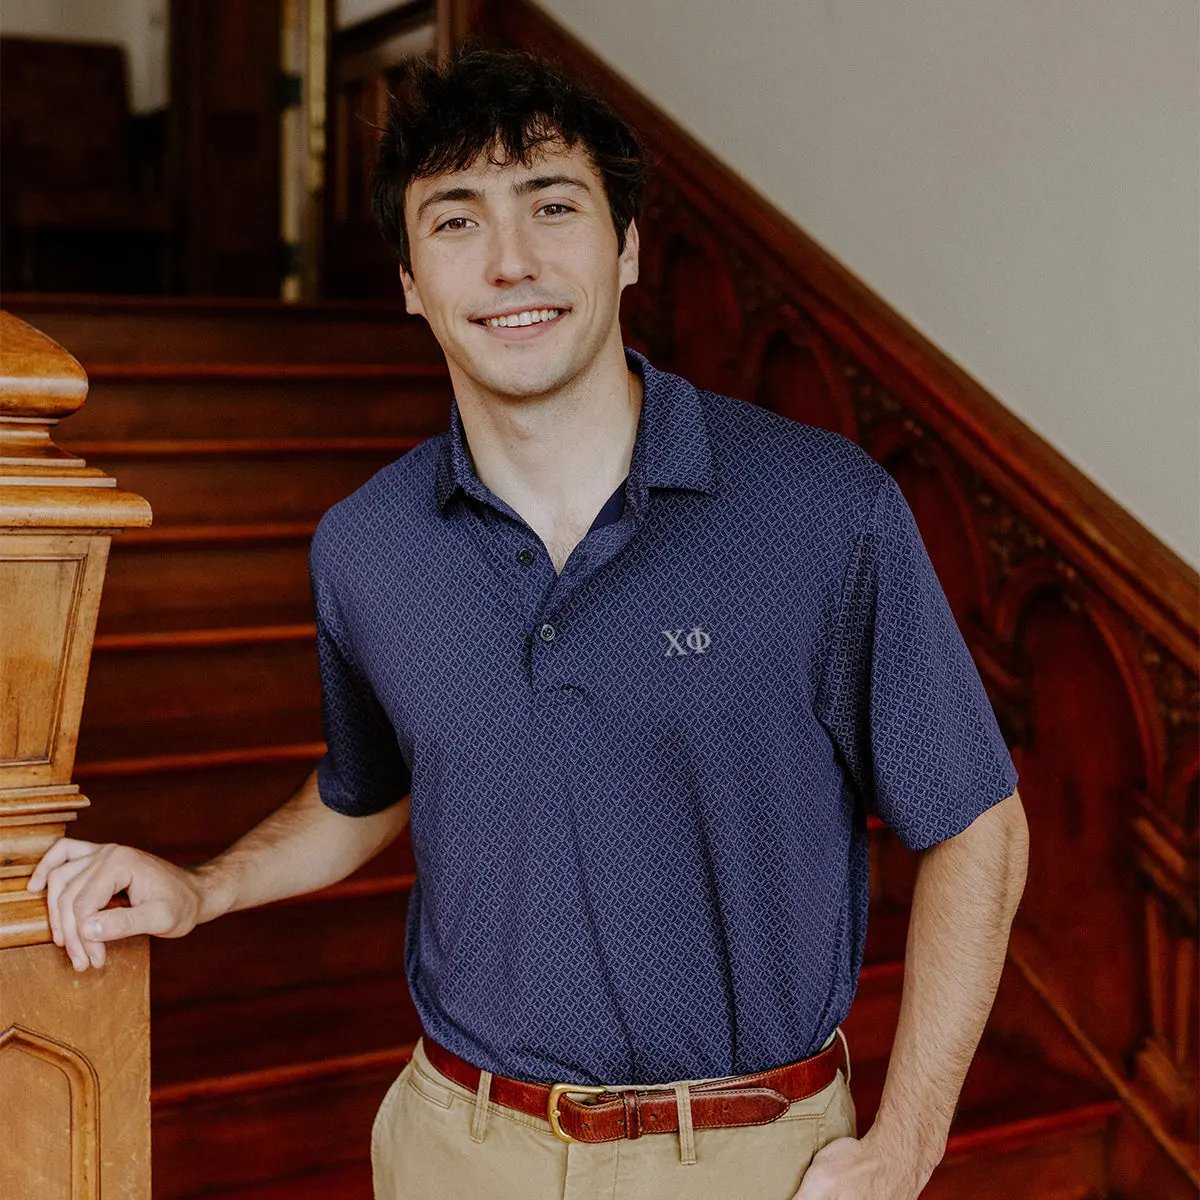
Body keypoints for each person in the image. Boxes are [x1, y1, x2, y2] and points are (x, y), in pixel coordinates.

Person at [27, 45, 1029, 1200]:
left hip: (748, 1155)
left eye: (552, 207)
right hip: (455, 1144)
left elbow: (979, 827)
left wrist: (906, 1147)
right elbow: (367, 788)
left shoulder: (821, 511)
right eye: (455, 221)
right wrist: (204, 889)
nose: (510, 261)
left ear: (627, 246)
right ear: (410, 279)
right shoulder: (365, 545)